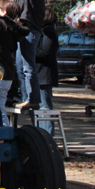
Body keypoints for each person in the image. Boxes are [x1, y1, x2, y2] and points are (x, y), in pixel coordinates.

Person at [6, 0, 50, 109]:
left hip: (30, 30)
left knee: (27, 66)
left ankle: (32, 98)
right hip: (24, 30)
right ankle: (26, 97)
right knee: (20, 66)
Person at [36, 8, 60, 136]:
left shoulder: (49, 32)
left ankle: (47, 135)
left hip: (44, 75)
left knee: (44, 106)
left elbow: (45, 53)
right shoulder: (43, 32)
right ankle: (42, 134)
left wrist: (30, 51)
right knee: (40, 107)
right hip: (40, 74)